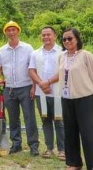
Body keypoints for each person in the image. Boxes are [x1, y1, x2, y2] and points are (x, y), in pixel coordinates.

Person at [43, 28, 93, 169]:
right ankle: (74, 163)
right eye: (64, 39)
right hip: (67, 99)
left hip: (84, 99)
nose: (67, 41)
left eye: (70, 38)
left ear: (77, 39)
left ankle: (92, 165)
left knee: (87, 134)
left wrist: (89, 89)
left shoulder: (86, 55)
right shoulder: (62, 57)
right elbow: (62, 75)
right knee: (70, 132)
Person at [0, 21, 39, 156]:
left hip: (26, 87)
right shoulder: (1, 51)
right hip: (9, 89)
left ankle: (33, 145)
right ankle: (16, 144)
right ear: (5, 33)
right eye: (9, 30)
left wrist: (34, 86)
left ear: (18, 31)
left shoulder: (28, 48)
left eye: (14, 30)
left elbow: (34, 68)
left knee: (29, 117)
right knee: (13, 118)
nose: (11, 32)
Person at [28, 26, 65, 160]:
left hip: (58, 92)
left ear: (54, 35)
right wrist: (41, 84)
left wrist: (47, 82)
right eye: (43, 35)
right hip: (40, 93)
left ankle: (62, 149)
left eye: (48, 35)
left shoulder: (62, 52)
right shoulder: (36, 53)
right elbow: (31, 70)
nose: (45, 37)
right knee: (46, 121)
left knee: (60, 121)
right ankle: (49, 148)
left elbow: (63, 71)